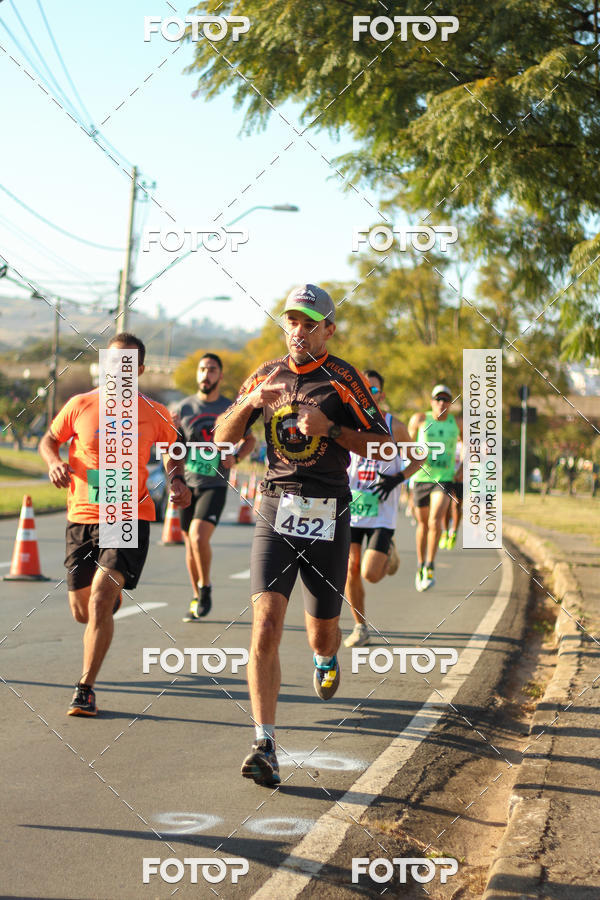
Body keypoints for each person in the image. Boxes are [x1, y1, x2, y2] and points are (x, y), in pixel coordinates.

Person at [213, 284, 390, 787]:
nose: (298, 330)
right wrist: (249, 400)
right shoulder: (266, 373)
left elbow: (382, 447)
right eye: (291, 320)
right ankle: (264, 743)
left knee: (321, 630)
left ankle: (326, 654)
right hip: (275, 506)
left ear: (328, 330)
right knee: (266, 623)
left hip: (329, 511)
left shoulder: (344, 378)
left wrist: (330, 430)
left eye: (309, 322)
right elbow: (222, 438)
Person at [39, 333, 191, 717]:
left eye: (126, 363)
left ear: (139, 370)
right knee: (82, 610)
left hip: (128, 514)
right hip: (82, 515)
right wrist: (53, 462)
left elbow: (174, 450)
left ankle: (85, 688)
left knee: (99, 600)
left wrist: (176, 479)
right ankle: (110, 597)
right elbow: (49, 440)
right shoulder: (80, 404)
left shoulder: (155, 412)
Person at [173, 353, 255, 621]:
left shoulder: (229, 408)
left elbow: (250, 440)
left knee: (198, 537)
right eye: (202, 369)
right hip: (188, 484)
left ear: (220, 375)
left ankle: (205, 587)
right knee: (188, 544)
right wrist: (174, 477)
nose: (206, 374)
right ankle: (196, 595)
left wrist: (237, 457)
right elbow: (173, 448)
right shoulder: (183, 409)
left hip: (214, 484)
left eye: (211, 370)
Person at [344, 369, 423, 648]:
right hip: (352, 508)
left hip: (382, 512)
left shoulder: (394, 425)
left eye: (374, 390)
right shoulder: (346, 424)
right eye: (363, 389)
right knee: (350, 568)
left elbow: (418, 459)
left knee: (371, 574)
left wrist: (397, 479)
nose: (368, 394)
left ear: (382, 395)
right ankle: (360, 626)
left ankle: (388, 550)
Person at [408, 385, 462, 592]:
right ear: (431, 402)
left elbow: (470, 444)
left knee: (435, 519)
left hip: (444, 478)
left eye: (446, 400)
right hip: (422, 477)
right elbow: (407, 443)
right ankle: (421, 565)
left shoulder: (456, 423)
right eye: (438, 399)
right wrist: (408, 469)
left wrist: (463, 466)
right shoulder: (420, 420)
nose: (442, 403)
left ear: (450, 403)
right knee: (423, 525)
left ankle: (430, 565)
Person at [439, 437, 463, 550]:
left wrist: (459, 474)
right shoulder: (446, 441)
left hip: (460, 479)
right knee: (446, 506)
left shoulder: (464, 444)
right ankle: (445, 531)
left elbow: (467, 461)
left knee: (457, 505)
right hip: (446, 477)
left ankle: (454, 532)